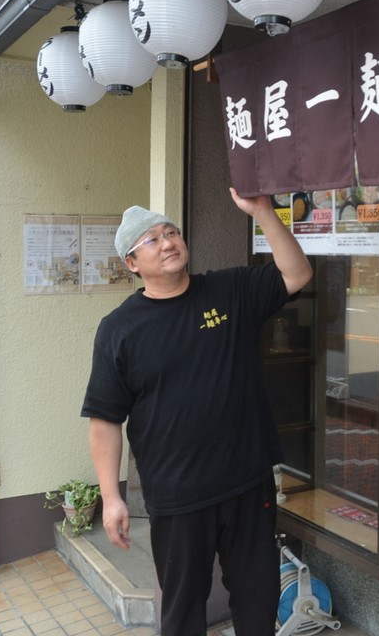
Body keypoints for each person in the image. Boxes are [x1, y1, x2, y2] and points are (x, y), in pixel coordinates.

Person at [81, 187, 313, 636]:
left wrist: (263, 212)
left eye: (171, 232)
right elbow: (105, 419)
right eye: (151, 240)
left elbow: (297, 273)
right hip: (178, 495)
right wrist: (110, 497)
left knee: (258, 600)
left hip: (247, 482)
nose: (167, 242)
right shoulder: (119, 330)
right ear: (132, 263)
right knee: (184, 609)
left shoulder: (229, 291)